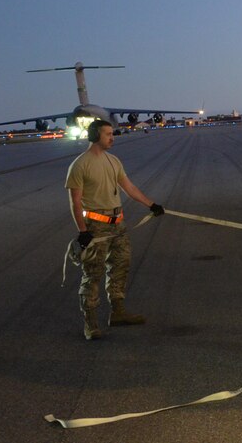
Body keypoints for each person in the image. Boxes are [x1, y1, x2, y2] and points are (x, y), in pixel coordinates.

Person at [65, 119, 164, 341]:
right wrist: (83, 231)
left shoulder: (113, 160)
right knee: (93, 274)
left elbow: (129, 188)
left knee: (121, 265)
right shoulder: (80, 165)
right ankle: (90, 324)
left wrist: (151, 205)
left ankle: (117, 313)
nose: (112, 138)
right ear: (94, 136)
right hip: (94, 227)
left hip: (118, 224)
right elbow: (75, 202)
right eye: (108, 134)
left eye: (112, 134)